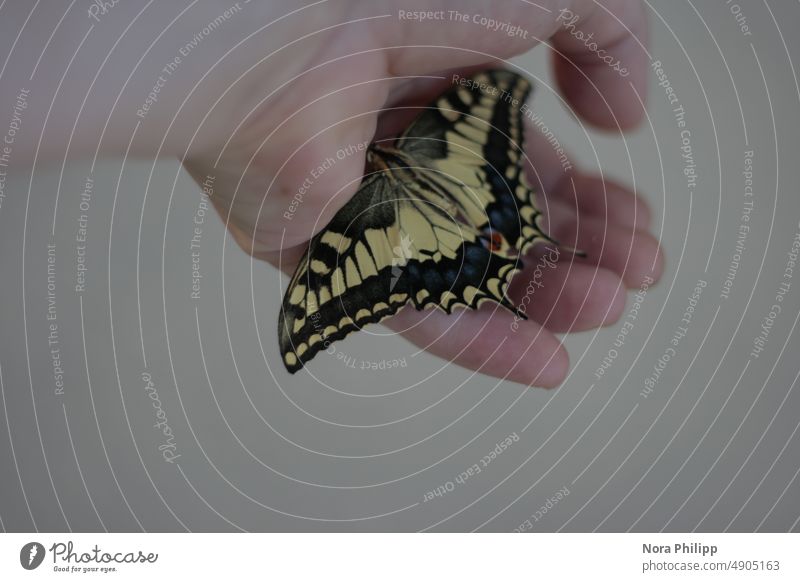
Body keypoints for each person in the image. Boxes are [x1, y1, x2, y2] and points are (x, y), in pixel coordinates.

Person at [1, 0, 661, 387]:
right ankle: (489, 245)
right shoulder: (430, 130)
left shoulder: (363, 208)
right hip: (457, 216)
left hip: (437, 230)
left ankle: (480, 252)